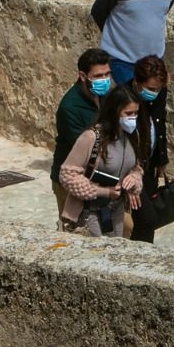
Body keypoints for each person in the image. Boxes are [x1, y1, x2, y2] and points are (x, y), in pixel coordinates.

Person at [58, 86, 145, 237]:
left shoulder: (132, 135)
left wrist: (134, 178)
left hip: (116, 210)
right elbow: (67, 174)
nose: (133, 118)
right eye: (128, 113)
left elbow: (136, 167)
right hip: (88, 212)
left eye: (136, 113)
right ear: (114, 112)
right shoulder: (91, 138)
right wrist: (104, 192)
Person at [52, 47, 115, 222]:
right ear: (82, 76)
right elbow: (82, 151)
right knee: (77, 229)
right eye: (98, 76)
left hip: (102, 176)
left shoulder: (108, 96)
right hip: (74, 180)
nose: (104, 80)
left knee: (121, 226)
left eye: (107, 74)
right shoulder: (70, 108)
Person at [126, 54, 172, 244]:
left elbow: (160, 123)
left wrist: (162, 158)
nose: (155, 92)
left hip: (149, 164)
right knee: (146, 218)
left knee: (148, 220)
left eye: (159, 88)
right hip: (130, 169)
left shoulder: (160, 92)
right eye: (151, 89)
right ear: (137, 82)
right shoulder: (123, 99)